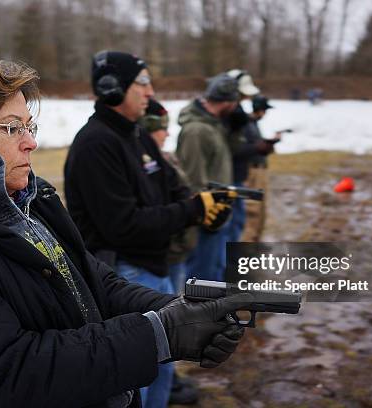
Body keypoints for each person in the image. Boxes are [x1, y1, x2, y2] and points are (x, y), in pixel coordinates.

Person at [0, 56, 251, 408]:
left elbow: (92, 280)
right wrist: (157, 335)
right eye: (12, 127)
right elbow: (8, 373)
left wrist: (175, 309)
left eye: (29, 126)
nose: (31, 142)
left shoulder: (29, 202)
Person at [63, 51, 235, 408]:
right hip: (126, 273)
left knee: (164, 368)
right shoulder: (96, 144)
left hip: (156, 267)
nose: (150, 91)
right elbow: (124, 226)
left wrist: (204, 207)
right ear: (112, 88)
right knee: (139, 377)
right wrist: (192, 209)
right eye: (142, 82)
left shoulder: (136, 134)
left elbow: (173, 185)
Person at [139, 98, 200, 405]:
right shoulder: (137, 159)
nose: (166, 134)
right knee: (157, 336)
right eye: (161, 129)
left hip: (171, 255)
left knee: (170, 331)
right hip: (159, 258)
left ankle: (170, 382)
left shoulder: (161, 158)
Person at [176, 73, 240, 283]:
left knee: (215, 271)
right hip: (206, 220)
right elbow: (193, 180)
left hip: (218, 214)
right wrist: (207, 214)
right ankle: (201, 316)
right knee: (203, 281)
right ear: (228, 102)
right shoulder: (197, 130)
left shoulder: (213, 125)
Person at [241, 95, 281, 242]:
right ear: (260, 110)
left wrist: (270, 142)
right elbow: (247, 148)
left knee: (260, 210)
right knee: (253, 209)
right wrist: (265, 146)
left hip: (260, 169)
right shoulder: (247, 124)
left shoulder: (253, 124)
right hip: (253, 170)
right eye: (265, 110)